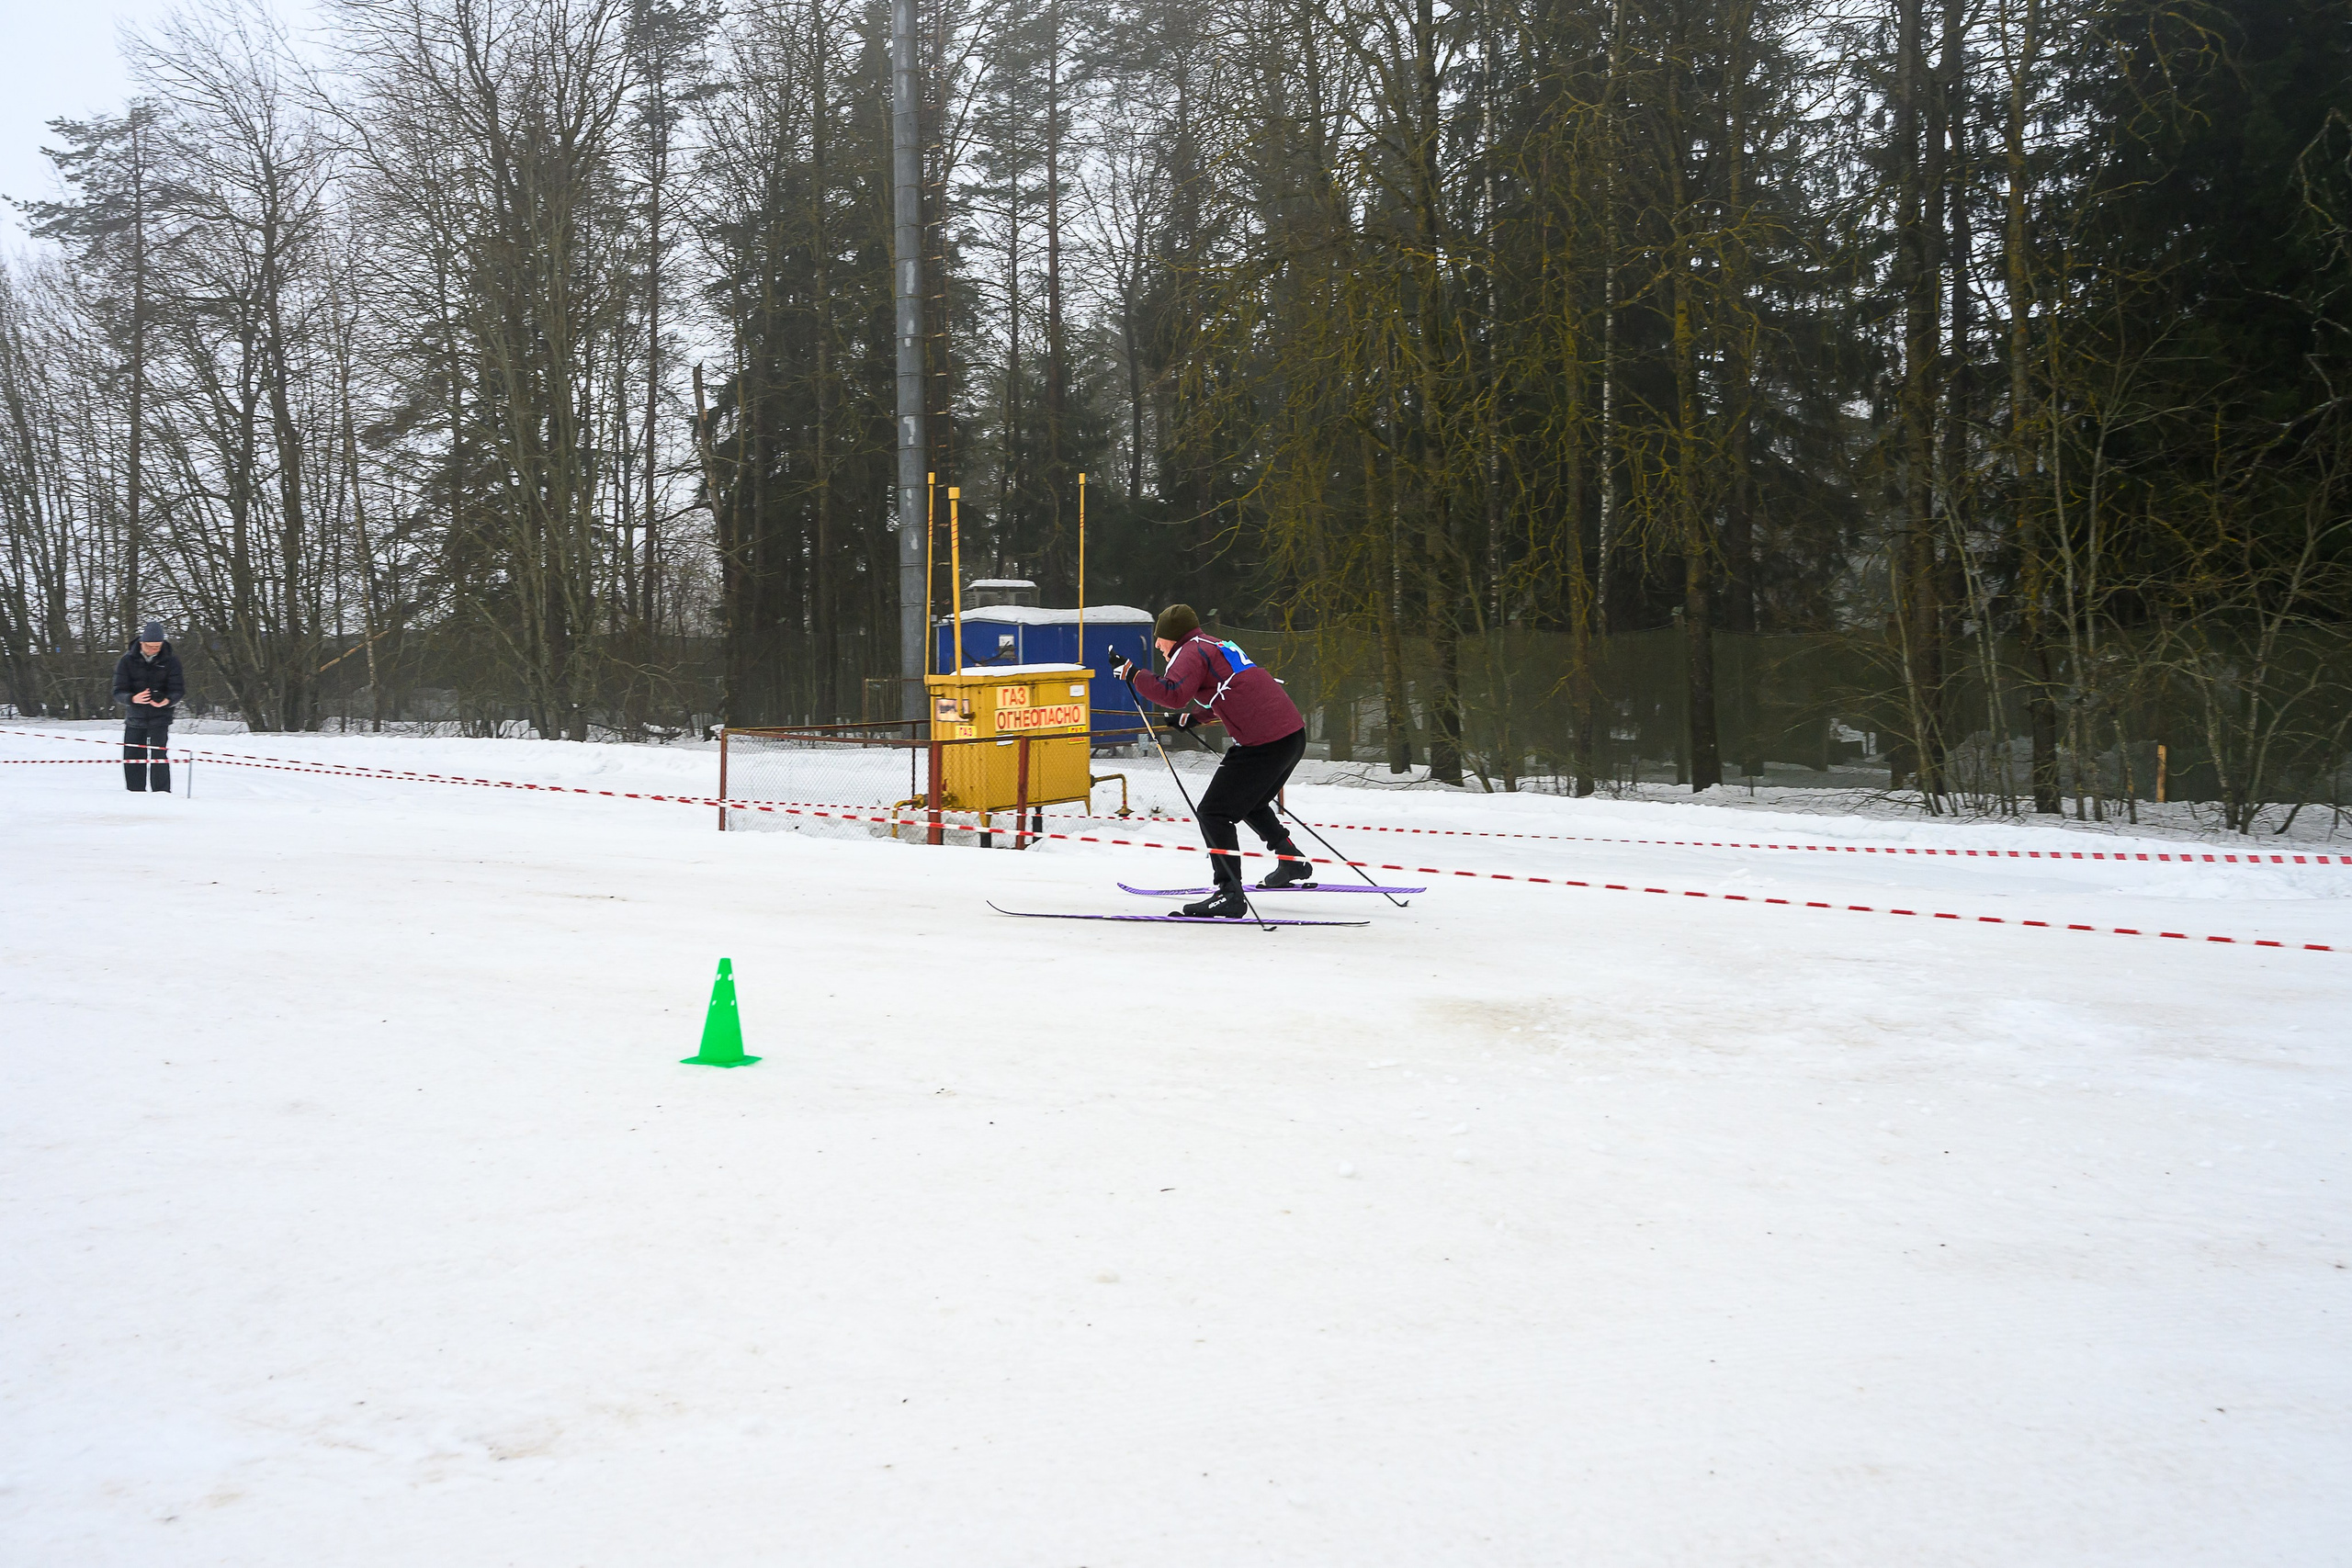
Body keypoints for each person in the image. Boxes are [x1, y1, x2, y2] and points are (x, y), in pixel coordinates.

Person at [1115, 604, 1314, 917]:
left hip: (1263, 742)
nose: (1157, 645)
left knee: (1214, 812)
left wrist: (1133, 674)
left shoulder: (1189, 652)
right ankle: (1290, 860)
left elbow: (1173, 693)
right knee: (1250, 802)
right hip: (1291, 735)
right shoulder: (1216, 645)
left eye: (1161, 638)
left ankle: (1229, 894)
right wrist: (1193, 719)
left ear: (1174, 637)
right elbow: (1233, 688)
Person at [112, 621, 185, 794]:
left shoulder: (171, 661)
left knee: (159, 757)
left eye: (158, 646)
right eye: (151, 646)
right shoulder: (127, 660)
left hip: (160, 718)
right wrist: (132, 698)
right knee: (132, 756)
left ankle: (161, 793)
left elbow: (178, 689)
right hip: (135, 718)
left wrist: (167, 700)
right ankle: (135, 792)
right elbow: (118, 691)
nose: (155, 650)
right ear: (142, 643)